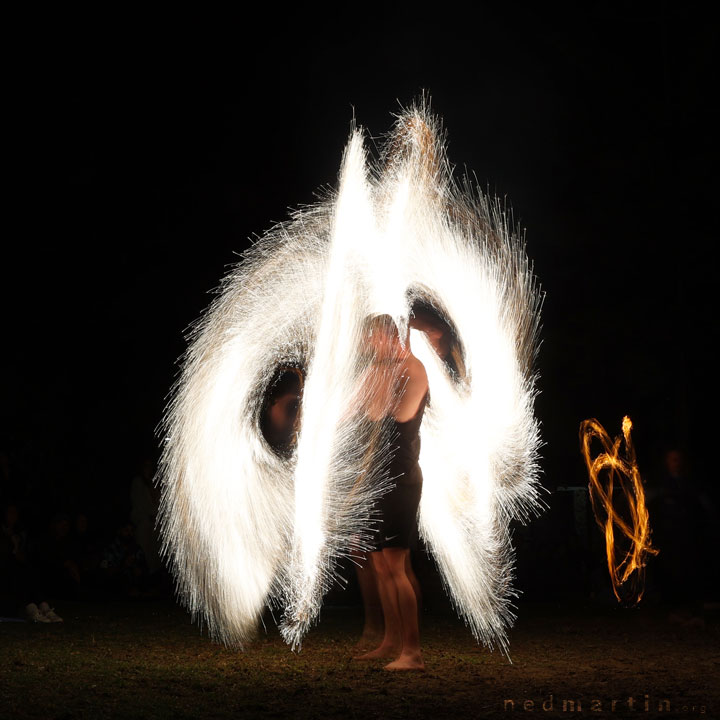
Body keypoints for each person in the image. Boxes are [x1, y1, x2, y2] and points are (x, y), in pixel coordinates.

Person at [354, 314, 428, 671]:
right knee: (381, 564)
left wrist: (373, 385)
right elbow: (353, 408)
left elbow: (388, 413)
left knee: (396, 566)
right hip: (377, 479)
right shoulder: (380, 370)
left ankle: (412, 653)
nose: (367, 347)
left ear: (388, 336)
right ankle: (391, 641)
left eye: (371, 339)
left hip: (400, 478)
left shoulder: (412, 369)